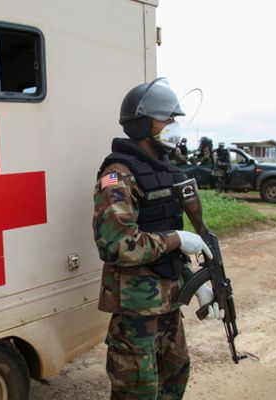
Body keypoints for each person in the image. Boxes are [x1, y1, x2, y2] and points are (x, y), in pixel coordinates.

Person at [93, 78, 224, 400]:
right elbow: (117, 245)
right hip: (136, 313)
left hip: (168, 305)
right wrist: (177, 239)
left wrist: (197, 284)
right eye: (167, 119)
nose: (173, 126)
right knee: (138, 392)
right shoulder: (118, 175)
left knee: (176, 379)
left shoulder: (165, 171)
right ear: (141, 124)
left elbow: (164, 239)